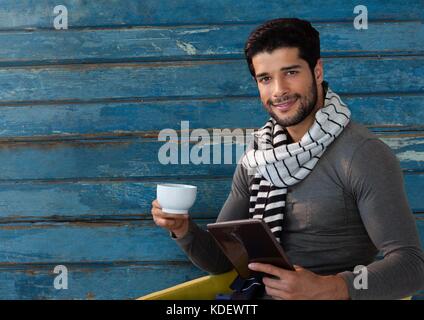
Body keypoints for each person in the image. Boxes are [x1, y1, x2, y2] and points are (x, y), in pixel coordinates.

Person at [151, 18, 424, 300]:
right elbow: (223, 261)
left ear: (317, 71)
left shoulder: (362, 154)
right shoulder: (258, 157)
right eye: (265, 79)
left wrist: (328, 287)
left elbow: (412, 266)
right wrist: (183, 230)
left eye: (291, 72)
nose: (279, 90)